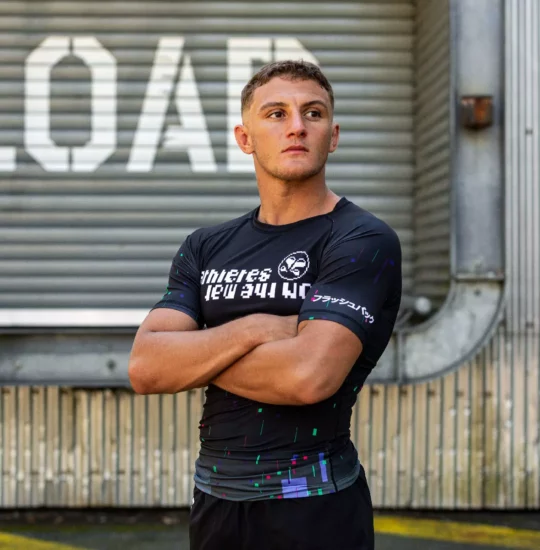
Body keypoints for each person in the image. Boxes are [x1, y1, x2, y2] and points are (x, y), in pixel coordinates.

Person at [128, 59, 402, 550]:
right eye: (276, 113)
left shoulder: (361, 239)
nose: (297, 126)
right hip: (214, 502)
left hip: (314, 506)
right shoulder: (205, 245)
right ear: (244, 137)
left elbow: (307, 377)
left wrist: (193, 356)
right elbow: (146, 368)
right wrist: (254, 328)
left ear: (332, 136)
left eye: (313, 113)